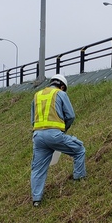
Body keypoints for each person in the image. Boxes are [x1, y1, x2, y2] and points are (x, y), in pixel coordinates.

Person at [30, 74, 86, 206]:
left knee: (38, 168)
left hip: (38, 137)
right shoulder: (60, 93)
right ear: (62, 86)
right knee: (79, 150)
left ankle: (36, 199)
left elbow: (33, 120)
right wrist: (64, 129)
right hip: (54, 135)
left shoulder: (37, 95)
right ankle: (79, 179)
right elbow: (70, 116)